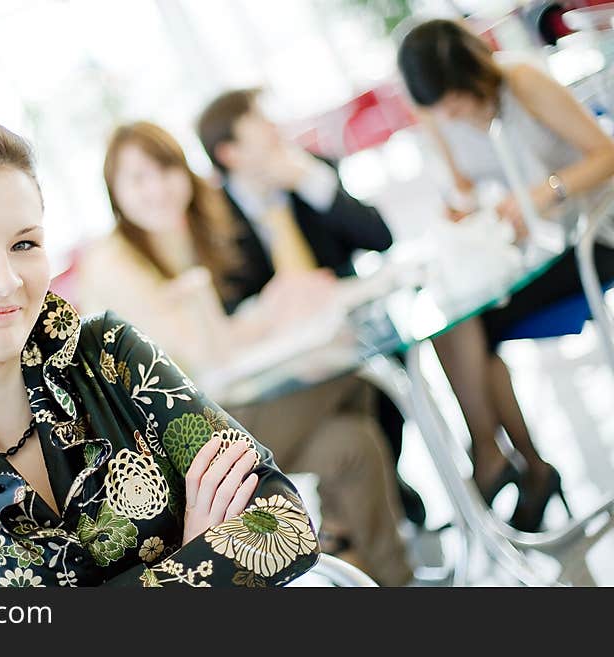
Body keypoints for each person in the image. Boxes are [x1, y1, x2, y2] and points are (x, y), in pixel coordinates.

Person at [0, 109, 322, 587]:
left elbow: (284, 525)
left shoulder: (111, 354)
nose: (5, 281)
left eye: (24, 244)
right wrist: (193, 561)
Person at [76, 121, 414, 586]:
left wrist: (266, 311)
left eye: (166, 169)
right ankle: (340, 537)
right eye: (138, 179)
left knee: (352, 444)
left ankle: (392, 579)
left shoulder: (189, 230)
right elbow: (195, 356)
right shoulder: (114, 263)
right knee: (353, 375)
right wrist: (271, 311)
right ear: (114, 192)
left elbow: (220, 341)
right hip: (177, 444)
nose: (157, 188)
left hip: (226, 407)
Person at [397, 18, 614, 531]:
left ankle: (505, 463)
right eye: (439, 107)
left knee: (468, 330)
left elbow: (607, 154)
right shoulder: (437, 116)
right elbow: (464, 190)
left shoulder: (521, 81)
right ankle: (514, 460)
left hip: (594, 233)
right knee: (455, 325)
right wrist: (461, 215)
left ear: (472, 73)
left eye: (454, 100)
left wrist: (546, 191)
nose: (451, 114)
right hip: (537, 250)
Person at [196, 89, 426, 525]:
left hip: (350, 333)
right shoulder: (212, 216)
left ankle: (373, 499)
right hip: (284, 356)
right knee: (348, 426)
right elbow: (227, 303)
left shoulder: (307, 170)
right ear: (230, 153)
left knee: (382, 389)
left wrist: (309, 183)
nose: (275, 133)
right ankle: (367, 505)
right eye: (260, 129)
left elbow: (379, 237)